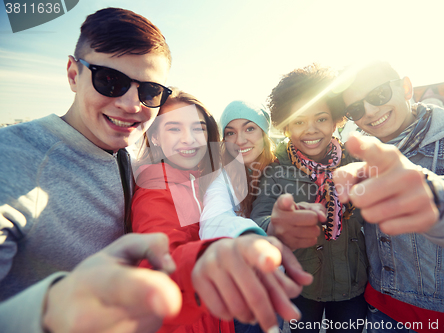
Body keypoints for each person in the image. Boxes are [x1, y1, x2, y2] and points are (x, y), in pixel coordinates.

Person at [0, 8, 310, 333]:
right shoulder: (14, 159)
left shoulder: (135, 150)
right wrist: (48, 310)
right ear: (73, 74)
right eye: (109, 80)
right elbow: (168, 243)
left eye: (149, 92)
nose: (132, 105)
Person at [332, 60, 444, 332]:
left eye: (378, 94)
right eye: (356, 109)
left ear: (406, 87)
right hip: (380, 311)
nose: (371, 112)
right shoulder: (359, 152)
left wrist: (435, 198)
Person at [131, 89, 312, 333]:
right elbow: (212, 220)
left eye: (198, 128)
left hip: (254, 300)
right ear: (155, 137)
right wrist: (248, 238)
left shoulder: (285, 166)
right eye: (175, 128)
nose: (189, 139)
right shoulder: (196, 181)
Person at [251, 64, 368, 333]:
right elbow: (260, 216)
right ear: (287, 124)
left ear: (337, 119)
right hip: (303, 287)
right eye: (299, 121)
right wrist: (277, 223)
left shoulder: (357, 161)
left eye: (321, 118)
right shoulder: (277, 168)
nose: (311, 130)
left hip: (353, 285)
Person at [199, 100, 276, 333]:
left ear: (264, 133)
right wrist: (251, 235)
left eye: (249, 128)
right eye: (230, 132)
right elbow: (214, 219)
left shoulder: (282, 170)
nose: (240, 140)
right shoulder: (222, 176)